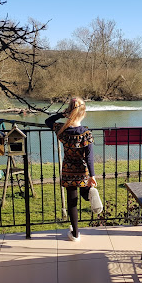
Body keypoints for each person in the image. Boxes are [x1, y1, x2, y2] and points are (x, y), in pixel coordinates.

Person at [45, 97, 97, 241]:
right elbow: (89, 158)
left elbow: (48, 121)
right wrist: (92, 175)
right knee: (84, 191)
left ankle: (75, 234)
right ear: (83, 113)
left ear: (69, 111)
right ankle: (87, 193)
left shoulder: (62, 130)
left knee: (72, 203)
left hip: (68, 170)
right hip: (82, 171)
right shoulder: (86, 134)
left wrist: (62, 115)